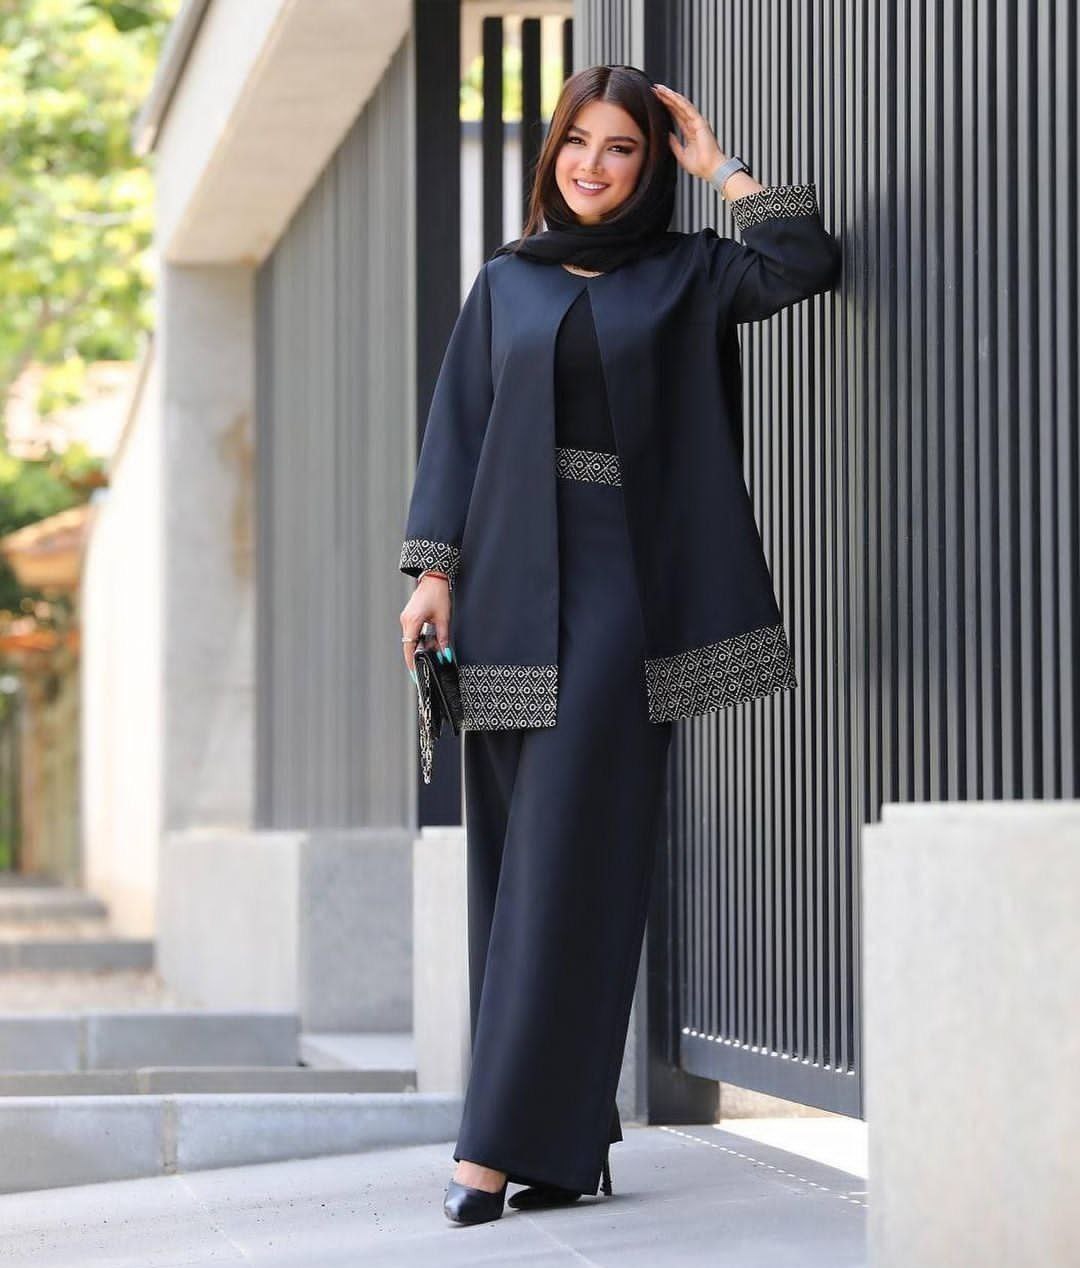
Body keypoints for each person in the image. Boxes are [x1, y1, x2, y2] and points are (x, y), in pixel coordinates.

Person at [398, 64, 842, 1226]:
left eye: (623, 148)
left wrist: (720, 167)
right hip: (503, 591)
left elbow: (805, 262)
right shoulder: (506, 281)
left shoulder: (689, 271)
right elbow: (458, 429)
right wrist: (432, 574)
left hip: (620, 595)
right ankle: (563, 1140)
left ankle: (490, 1148)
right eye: (579, 143)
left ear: (652, 165)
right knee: (516, 869)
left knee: (562, 860)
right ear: (553, 152)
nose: (594, 166)